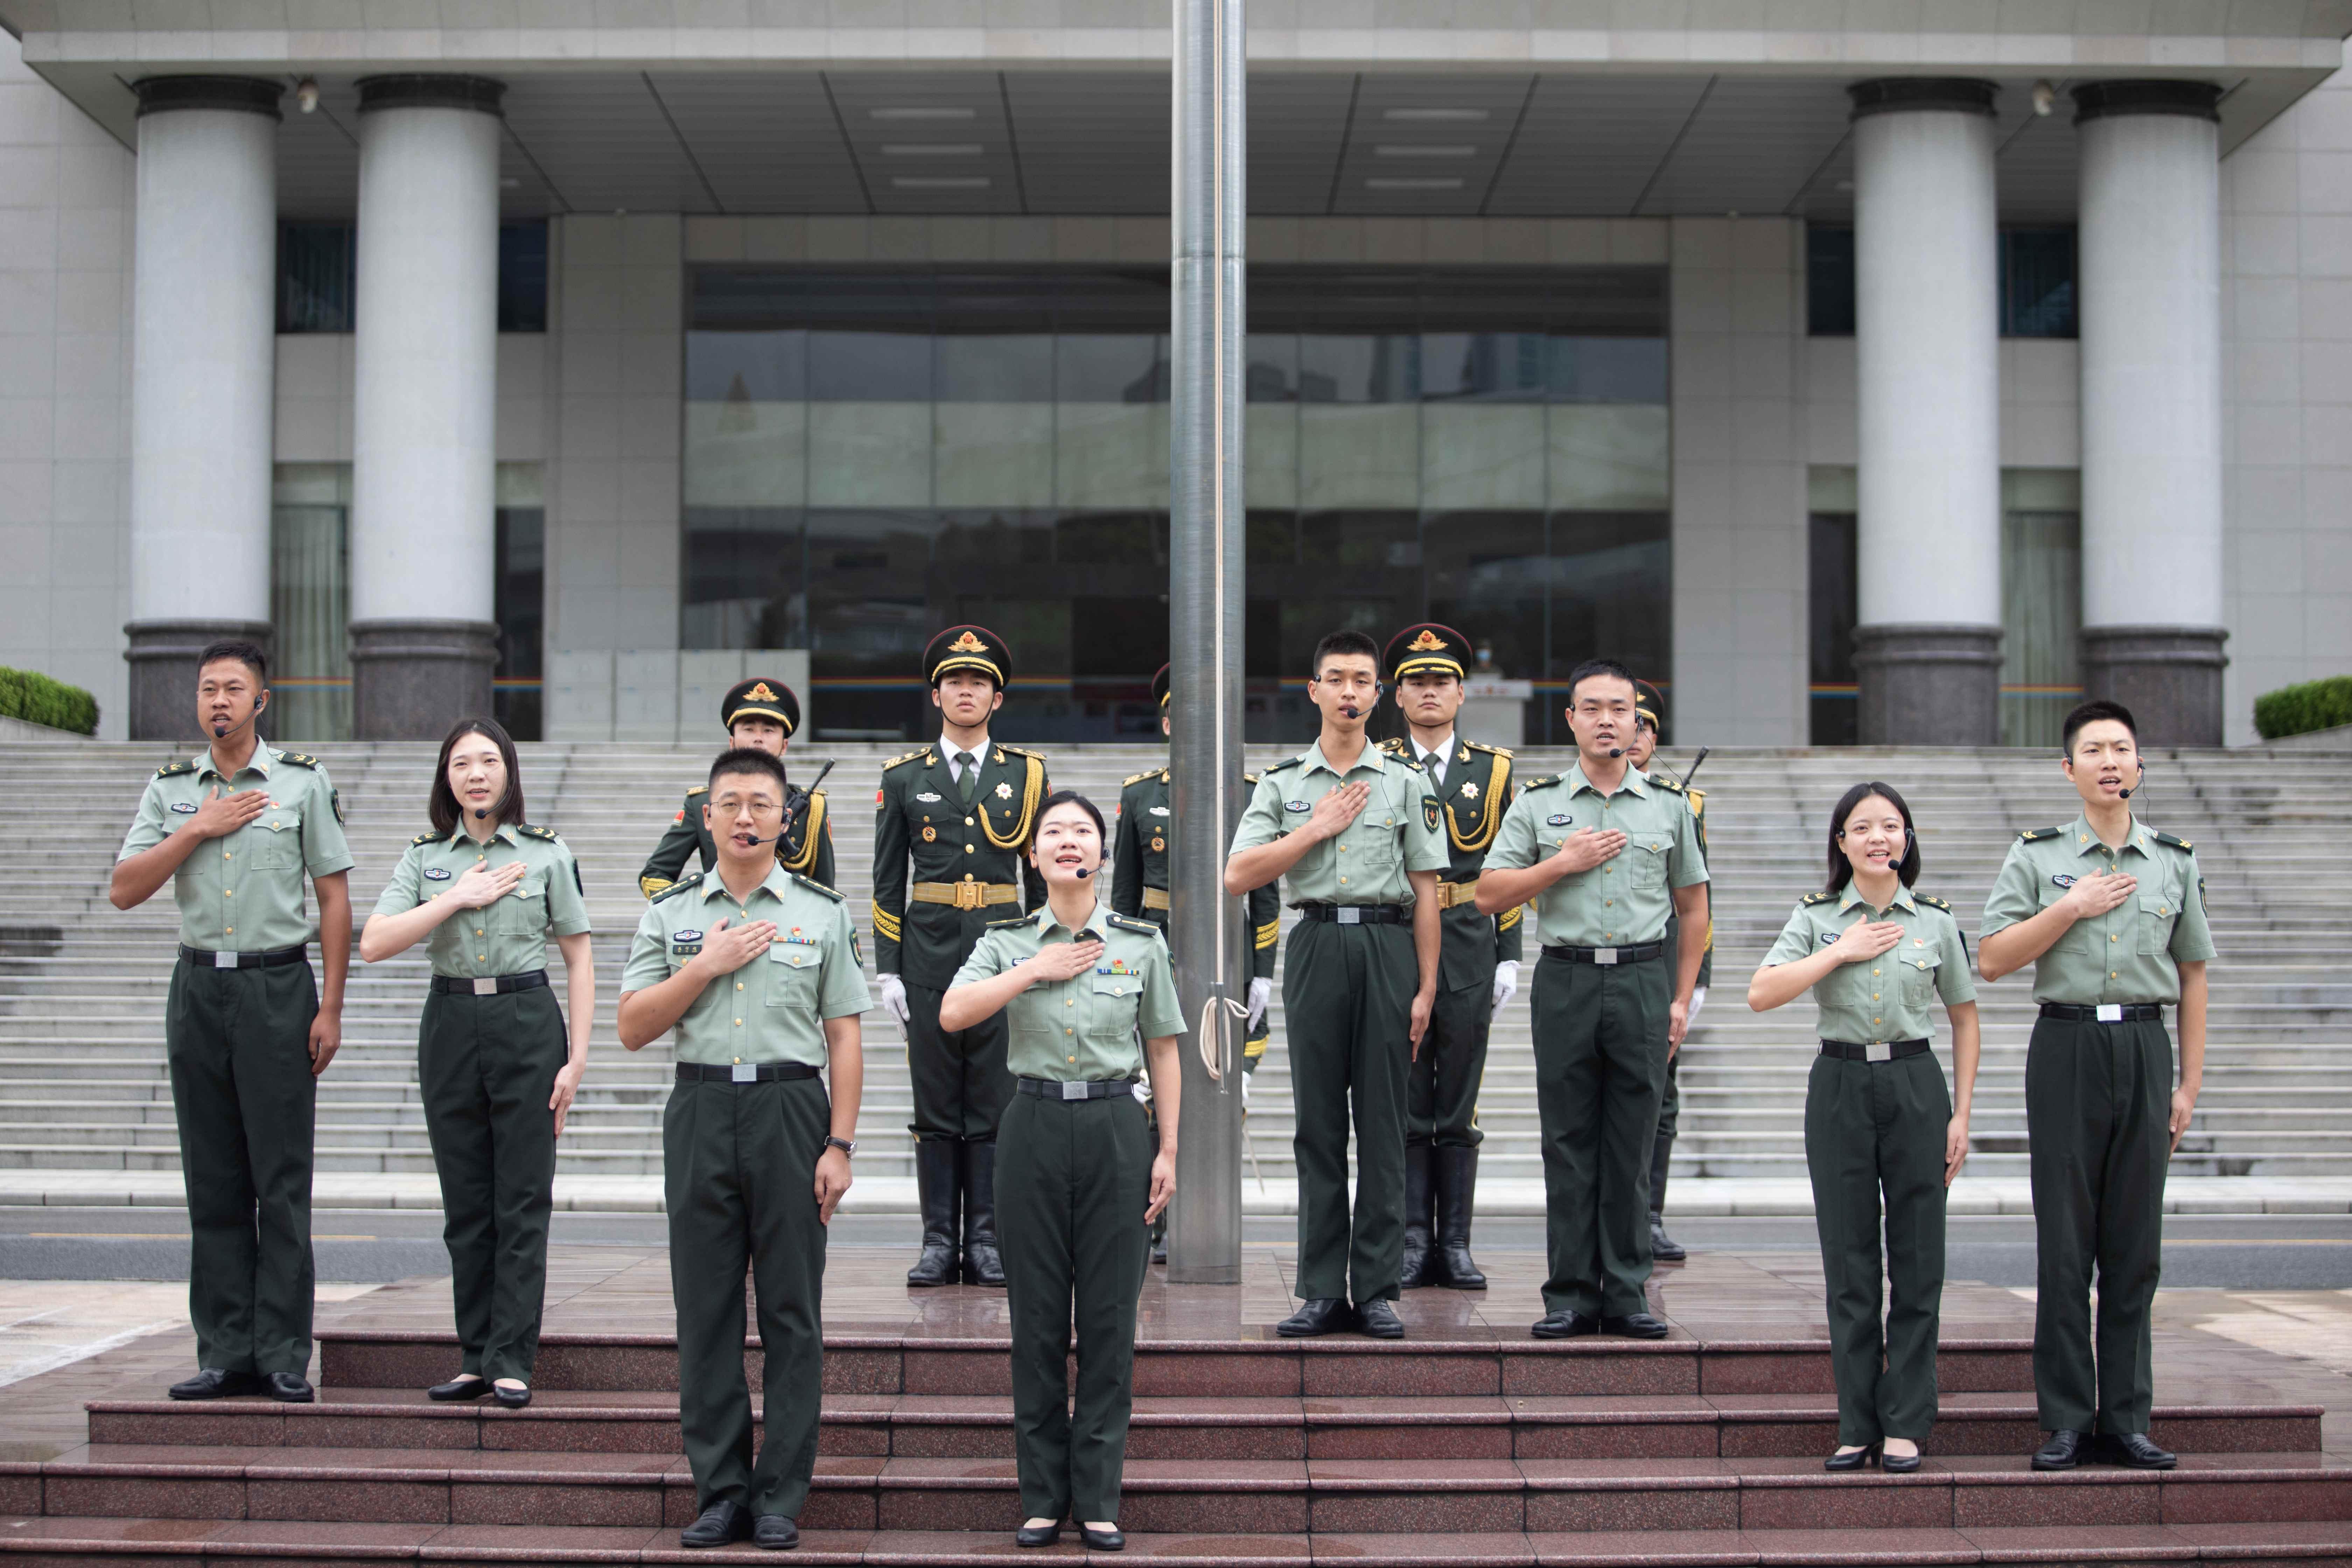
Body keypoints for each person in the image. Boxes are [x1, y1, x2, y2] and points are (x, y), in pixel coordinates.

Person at [618, 747, 868, 1550]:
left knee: (793, 1311)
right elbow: (632, 1027)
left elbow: (846, 1038)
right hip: (699, 1105)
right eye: (730, 803)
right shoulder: (672, 915)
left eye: (762, 803)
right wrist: (706, 965)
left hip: (793, 1110)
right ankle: (721, 1489)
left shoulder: (822, 912)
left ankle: (780, 1496)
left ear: (785, 818)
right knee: (706, 1310)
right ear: (707, 817)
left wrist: (840, 1145)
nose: (746, 818)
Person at [110, 640, 353, 1403]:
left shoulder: (302, 783)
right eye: (208, 689)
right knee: (212, 1177)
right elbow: (124, 888)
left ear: (261, 700)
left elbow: (335, 898)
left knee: (279, 1179)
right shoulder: (172, 789)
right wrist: (197, 828)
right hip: (197, 989)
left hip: (277, 986)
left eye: (233, 689)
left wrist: (333, 1005)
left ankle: (282, 1351)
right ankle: (223, 1349)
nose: (219, 701)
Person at [942, 791, 1183, 1551]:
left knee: (1110, 1320)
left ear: (1103, 853)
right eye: (1054, 832)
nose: (1068, 841)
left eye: (1082, 831)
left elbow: (1165, 1047)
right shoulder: (1006, 940)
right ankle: (1044, 1497)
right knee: (1038, 1321)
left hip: (1117, 1125)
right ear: (1033, 854)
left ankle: (1100, 1497)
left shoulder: (1142, 942)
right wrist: (1032, 971)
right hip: (1034, 1124)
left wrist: (1169, 1149)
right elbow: (953, 1011)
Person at [1979, 699, 2212, 1474]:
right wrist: (2070, 906)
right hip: (2067, 1044)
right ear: (2068, 767)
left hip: (2145, 1044)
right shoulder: (2037, 856)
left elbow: (2194, 971)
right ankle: (2068, 1417)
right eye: (2093, 749)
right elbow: (1992, 958)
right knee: (2067, 1242)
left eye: (2122, 748)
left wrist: (2189, 1079)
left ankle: (2128, 1416)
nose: (2109, 760)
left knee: (2135, 1245)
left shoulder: (2173, 859)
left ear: (2139, 766)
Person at [358, 719, 594, 1409]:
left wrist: (576, 1058)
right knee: (467, 1203)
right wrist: (454, 896)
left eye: (489, 760)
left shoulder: (547, 854)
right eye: (461, 762)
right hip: (452, 1022)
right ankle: (474, 1353)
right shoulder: (426, 857)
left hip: (526, 1018)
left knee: (521, 1197)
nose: (476, 773)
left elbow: (579, 954)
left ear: (509, 773)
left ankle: (512, 1355)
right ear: (447, 778)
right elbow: (373, 941)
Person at [1748, 782, 1980, 1473]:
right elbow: (1762, 991)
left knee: (1917, 1260)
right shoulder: (1816, 916)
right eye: (1862, 827)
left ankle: (1907, 1419)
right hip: (1840, 1085)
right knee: (1850, 1262)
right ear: (1841, 842)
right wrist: (1838, 951)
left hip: (1916, 1083)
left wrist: (1962, 1111)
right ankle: (1857, 1421)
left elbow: (1965, 1016)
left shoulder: (1935, 920)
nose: (1879, 837)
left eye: (1892, 825)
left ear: (1907, 838)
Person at [1476, 658, 1708, 1341]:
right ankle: (1572, 1293)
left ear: (1638, 720)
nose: (1607, 718)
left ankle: (1628, 1289)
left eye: (1620, 707)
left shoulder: (1668, 806)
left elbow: (1693, 909)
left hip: (1641, 978)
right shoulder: (1537, 803)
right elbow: (1489, 893)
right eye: (1592, 707)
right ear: (1571, 718)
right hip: (1567, 978)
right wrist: (1561, 863)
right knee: (1569, 1140)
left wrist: (1680, 995)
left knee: (1632, 1143)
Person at [1225, 629, 1447, 1339]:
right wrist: (1313, 830)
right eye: (1336, 678)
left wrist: (1427, 987)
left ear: (1378, 692)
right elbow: (1239, 873)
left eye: (1362, 679)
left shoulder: (1406, 781)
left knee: (1384, 1125)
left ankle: (1377, 1287)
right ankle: (1322, 1287)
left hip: (1388, 944)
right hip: (1317, 941)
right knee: (1318, 1126)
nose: (1350, 691)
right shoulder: (1284, 783)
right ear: (1313, 689)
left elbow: (1428, 889)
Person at [872, 626, 1051, 1287]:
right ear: (936, 694)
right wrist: (888, 966)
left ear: (997, 698)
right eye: (955, 681)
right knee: (936, 1101)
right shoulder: (903, 778)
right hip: (929, 954)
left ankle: (988, 1241)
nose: (966, 690)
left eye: (979, 682)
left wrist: (1042, 950)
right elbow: (888, 880)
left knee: (996, 1099)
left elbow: (1037, 878)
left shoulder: (1026, 775)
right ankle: (938, 1241)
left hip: (1003, 952)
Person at [1112, 663, 1279, 1265]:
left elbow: (1266, 898)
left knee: (1219, 1087)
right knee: (1153, 1093)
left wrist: (1262, 971)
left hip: (1226, 956)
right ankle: (1157, 1222)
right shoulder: (1139, 794)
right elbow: (1125, 899)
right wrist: (1122, 967)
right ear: (1165, 723)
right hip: (1158, 956)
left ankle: (1210, 1212)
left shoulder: (1253, 792)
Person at [1377, 624, 1520, 1291]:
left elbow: (1510, 865)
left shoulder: (1493, 770)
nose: (1429, 692)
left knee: (1459, 1098)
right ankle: (1411, 1242)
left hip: (1468, 932)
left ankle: (1455, 1244)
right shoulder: (1378, 761)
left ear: (1462, 693)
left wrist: (1510, 954)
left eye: (1441, 682)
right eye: (1417, 682)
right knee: (1407, 1091)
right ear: (1399, 695)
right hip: (1398, 930)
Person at [1623, 680, 1710, 1265]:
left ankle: (1650, 1216)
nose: (1634, 736)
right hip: (1612, 961)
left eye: (1645, 727)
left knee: (1663, 1097)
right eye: (1627, 723)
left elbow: (1699, 900)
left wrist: (1696, 982)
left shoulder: (1687, 804)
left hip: (1661, 970)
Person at [640, 678, 835, 896]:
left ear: (785, 745)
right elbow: (655, 874)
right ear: (732, 742)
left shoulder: (812, 807)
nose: (758, 739)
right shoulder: (701, 803)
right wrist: (694, 911)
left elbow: (824, 888)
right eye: (749, 729)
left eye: (769, 731)